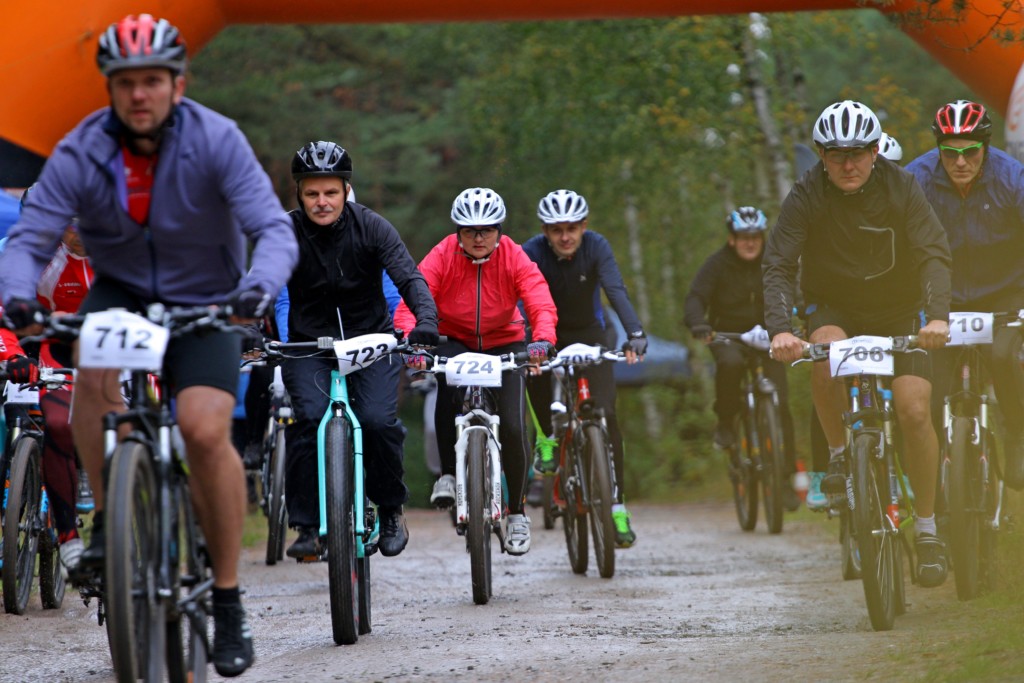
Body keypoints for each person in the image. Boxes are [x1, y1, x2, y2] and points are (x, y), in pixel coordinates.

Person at [0, 15, 298, 676]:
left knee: (203, 427)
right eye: (126, 82)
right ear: (109, 87)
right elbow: (32, 234)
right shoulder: (83, 147)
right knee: (92, 378)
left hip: (209, 295)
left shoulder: (217, 138)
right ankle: (112, 522)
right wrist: (19, 296)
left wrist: (258, 287)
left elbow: (272, 228)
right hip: (122, 292)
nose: (140, 94)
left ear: (178, 83)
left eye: (153, 81)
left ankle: (227, 599)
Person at [763, 100, 953, 588]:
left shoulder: (901, 186)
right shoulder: (806, 193)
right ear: (821, 156)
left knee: (914, 411)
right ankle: (838, 456)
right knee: (825, 352)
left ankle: (928, 529)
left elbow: (933, 251)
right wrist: (780, 328)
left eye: (858, 154)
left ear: (874, 152)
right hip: (835, 308)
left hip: (899, 309)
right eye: (836, 155)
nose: (848, 165)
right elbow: (779, 263)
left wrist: (937, 316)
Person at [279, 140, 438, 561]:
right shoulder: (284, 232)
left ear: (346, 190)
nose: (322, 201)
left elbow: (409, 278)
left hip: (371, 342)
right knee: (308, 419)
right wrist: (246, 325)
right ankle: (307, 525)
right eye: (312, 193)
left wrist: (425, 320)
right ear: (299, 194)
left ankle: (389, 509)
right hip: (308, 345)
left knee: (377, 422)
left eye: (331, 192)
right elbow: (262, 280)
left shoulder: (373, 227)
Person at [395, 187, 558, 555]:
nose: (479, 237)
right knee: (447, 390)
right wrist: (412, 341)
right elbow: (414, 297)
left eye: (487, 230)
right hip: (455, 339)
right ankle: (448, 475)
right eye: (470, 231)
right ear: (458, 232)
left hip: (505, 341)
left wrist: (542, 339)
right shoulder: (443, 254)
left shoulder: (513, 255)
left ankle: (517, 513)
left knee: (513, 424)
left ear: (499, 230)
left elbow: (538, 298)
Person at [906, 99, 1024, 491]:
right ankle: (938, 479)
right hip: (942, 298)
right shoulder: (917, 179)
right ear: (938, 149)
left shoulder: (1012, 177)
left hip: (1005, 292)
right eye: (949, 153)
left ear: (985, 148)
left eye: (970, 152)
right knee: (931, 387)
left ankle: (1017, 434)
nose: (960, 162)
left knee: (1003, 356)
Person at [522, 189, 647, 547]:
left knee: (607, 414)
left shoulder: (596, 246)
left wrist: (635, 333)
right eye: (557, 230)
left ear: (584, 226)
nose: (565, 237)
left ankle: (617, 508)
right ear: (545, 231)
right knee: (532, 371)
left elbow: (615, 289)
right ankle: (546, 439)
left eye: (572, 228)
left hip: (593, 332)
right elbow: (518, 298)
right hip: (546, 332)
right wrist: (525, 343)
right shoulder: (531, 252)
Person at [683, 206, 801, 512]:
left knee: (781, 403)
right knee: (731, 364)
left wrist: (803, 314)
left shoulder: (773, 261)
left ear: (762, 238)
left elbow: (795, 291)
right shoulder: (716, 265)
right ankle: (726, 422)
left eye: (755, 237)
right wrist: (698, 323)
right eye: (743, 237)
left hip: (769, 337)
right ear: (732, 239)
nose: (750, 242)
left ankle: (785, 479)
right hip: (727, 335)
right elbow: (696, 298)